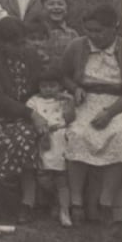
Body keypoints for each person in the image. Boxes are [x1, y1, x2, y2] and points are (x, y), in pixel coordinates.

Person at [0, 17, 46, 227]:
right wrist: (31, 114)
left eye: (23, 42)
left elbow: (37, 87)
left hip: (22, 116)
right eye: (16, 44)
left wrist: (36, 111)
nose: (21, 48)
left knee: (26, 138)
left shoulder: (31, 56)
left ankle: (27, 203)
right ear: (2, 43)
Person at [62, 4, 122, 226]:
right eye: (89, 30)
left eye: (99, 31)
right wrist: (74, 88)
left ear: (113, 29)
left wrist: (110, 113)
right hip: (86, 101)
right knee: (77, 134)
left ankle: (105, 201)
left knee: (121, 135)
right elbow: (65, 76)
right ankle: (76, 201)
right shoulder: (77, 46)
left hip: (118, 104)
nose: (93, 36)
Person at [25, 68, 76, 227]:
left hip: (59, 137)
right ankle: (53, 200)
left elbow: (69, 119)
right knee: (42, 176)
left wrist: (70, 102)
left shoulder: (63, 100)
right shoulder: (34, 101)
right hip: (42, 139)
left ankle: (64, 210)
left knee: (61, 177)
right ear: (39, 87)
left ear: (59, 86)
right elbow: (30, 119)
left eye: (52, 86)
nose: (48, 89)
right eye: (44, 86)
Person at [39, 0, 80, 65]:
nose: (56, 7)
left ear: (66, 9)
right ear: (43, 9)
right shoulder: (37, 33)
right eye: (51, 4)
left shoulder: (73, 35)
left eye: (60, 4)